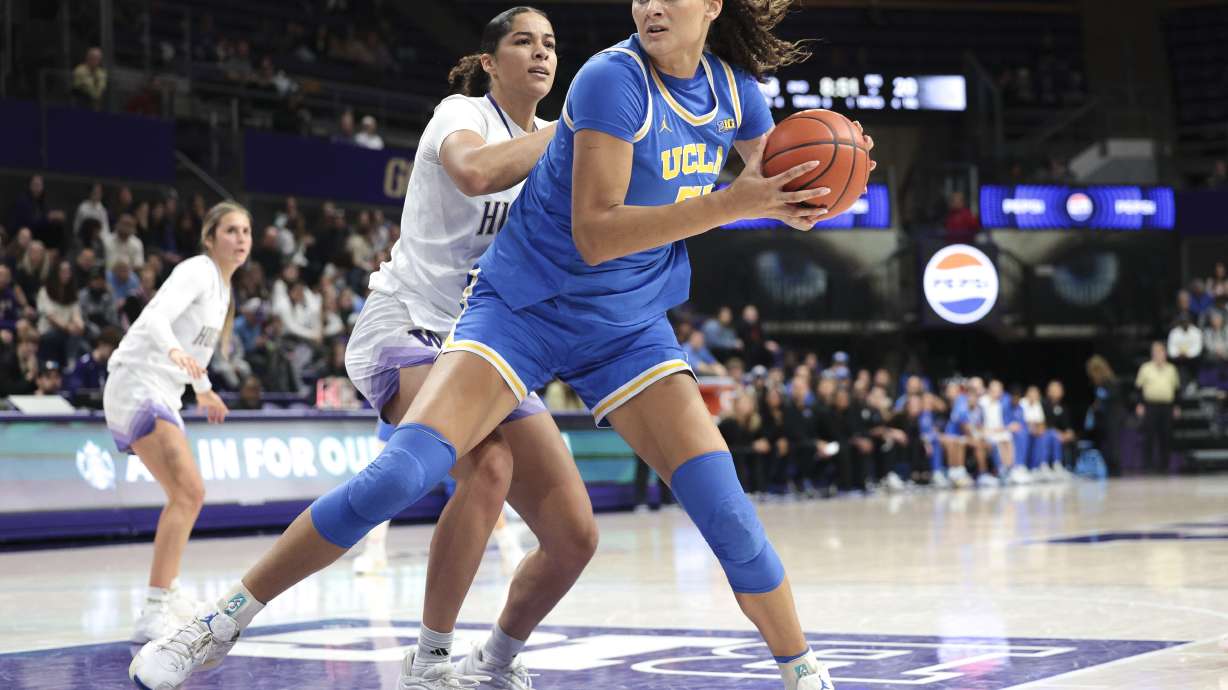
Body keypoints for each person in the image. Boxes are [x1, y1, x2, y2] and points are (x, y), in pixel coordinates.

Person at [133, 2, 865, 689]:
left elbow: (777, 181)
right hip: (523, 307)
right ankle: (219, 622)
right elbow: (596, 234)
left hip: (627, 327)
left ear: (714, 7)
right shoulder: (613, 79)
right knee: (403, 473)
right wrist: (731, 205)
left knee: (723, 508)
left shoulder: (736, 94)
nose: (652, 5)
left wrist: (813, 193)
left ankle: (799, 671)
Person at [135, 8, 598, 690]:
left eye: (551, 44)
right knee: (486, 467)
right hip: (404, 324)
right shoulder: (459, 113)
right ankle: (218, 624)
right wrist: (575, 130)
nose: (541, 53)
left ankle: (490, 661)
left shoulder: (556, 153)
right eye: (523, 41)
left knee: (574, 536)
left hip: (489, 344)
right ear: (491, 62)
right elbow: (474, 174)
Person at [106, 201, 250, 643]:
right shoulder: (197, 270)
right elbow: (153, 318)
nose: (241, 239)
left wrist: (203, 388)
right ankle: (154, 609)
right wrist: (172, 352)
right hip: (139, 379)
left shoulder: (225, 291)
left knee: (184, 495)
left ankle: (165, 593)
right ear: (210, 238)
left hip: (164, 389)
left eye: (246, 231)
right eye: (230, 230)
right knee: (189, 492)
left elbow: (196, 355)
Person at [1135, 341, 1180, 473]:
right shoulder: (1145, 368)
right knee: (1149, 435)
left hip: (1166, 406)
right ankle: (1148, 465)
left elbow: (1177, 389)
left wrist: (1176, 406)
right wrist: (1140, 404)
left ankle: (1164, 466)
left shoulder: (1171, 369)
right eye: (1156, 352)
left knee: (1166, 435)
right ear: (1152, 353)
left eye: (1161, 351)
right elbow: (1139, 388)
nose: (1158, 354)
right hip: (1150, 405)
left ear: (1165, 353)